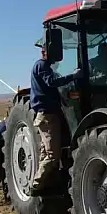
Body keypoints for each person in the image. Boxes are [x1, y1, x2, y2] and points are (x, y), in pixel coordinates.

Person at [29, 44, 82, 195]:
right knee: (53, 156)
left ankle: (45, 184)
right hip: (47, 115)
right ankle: (36, 185)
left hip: (47, 115)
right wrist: (73, 76)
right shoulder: (42, 65)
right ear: (45, 52)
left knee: (46, 153)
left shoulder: (44, 66)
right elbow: (51, 82)